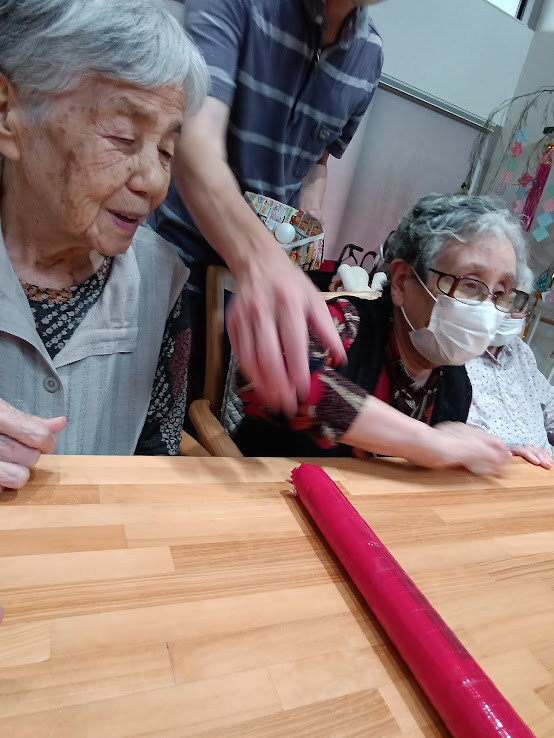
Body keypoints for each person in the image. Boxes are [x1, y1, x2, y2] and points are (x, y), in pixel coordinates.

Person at [0, 0, 209, 490]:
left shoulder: (162, 281)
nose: (154, 183)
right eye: (122, 136)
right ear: (8, 113)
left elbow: (156, 458)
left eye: (166, 150)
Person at [150, 0, 386, 416]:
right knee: (152, 415)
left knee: (223, 411)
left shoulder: (370, 55)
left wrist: (310, 210)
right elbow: (194, 144)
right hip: (177, 266)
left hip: (256, 282)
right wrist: (264, 263)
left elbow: (317, 163)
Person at [234, 194, 529, 474]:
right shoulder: (346, 323)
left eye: (501, 293)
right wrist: (428, 442)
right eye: (470, 284)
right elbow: (275, 374)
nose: (487, 309)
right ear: (401, 281)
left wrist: (491, 457)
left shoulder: (455, 386)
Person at [466, 266, 554, 470]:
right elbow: (459, 428)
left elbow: (549, 403)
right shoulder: (456, 351)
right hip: (501, 469)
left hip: (546, 467)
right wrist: (505, 451)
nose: (507, 313)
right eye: (499, 298)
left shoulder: (521, 351)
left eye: (517, 303)